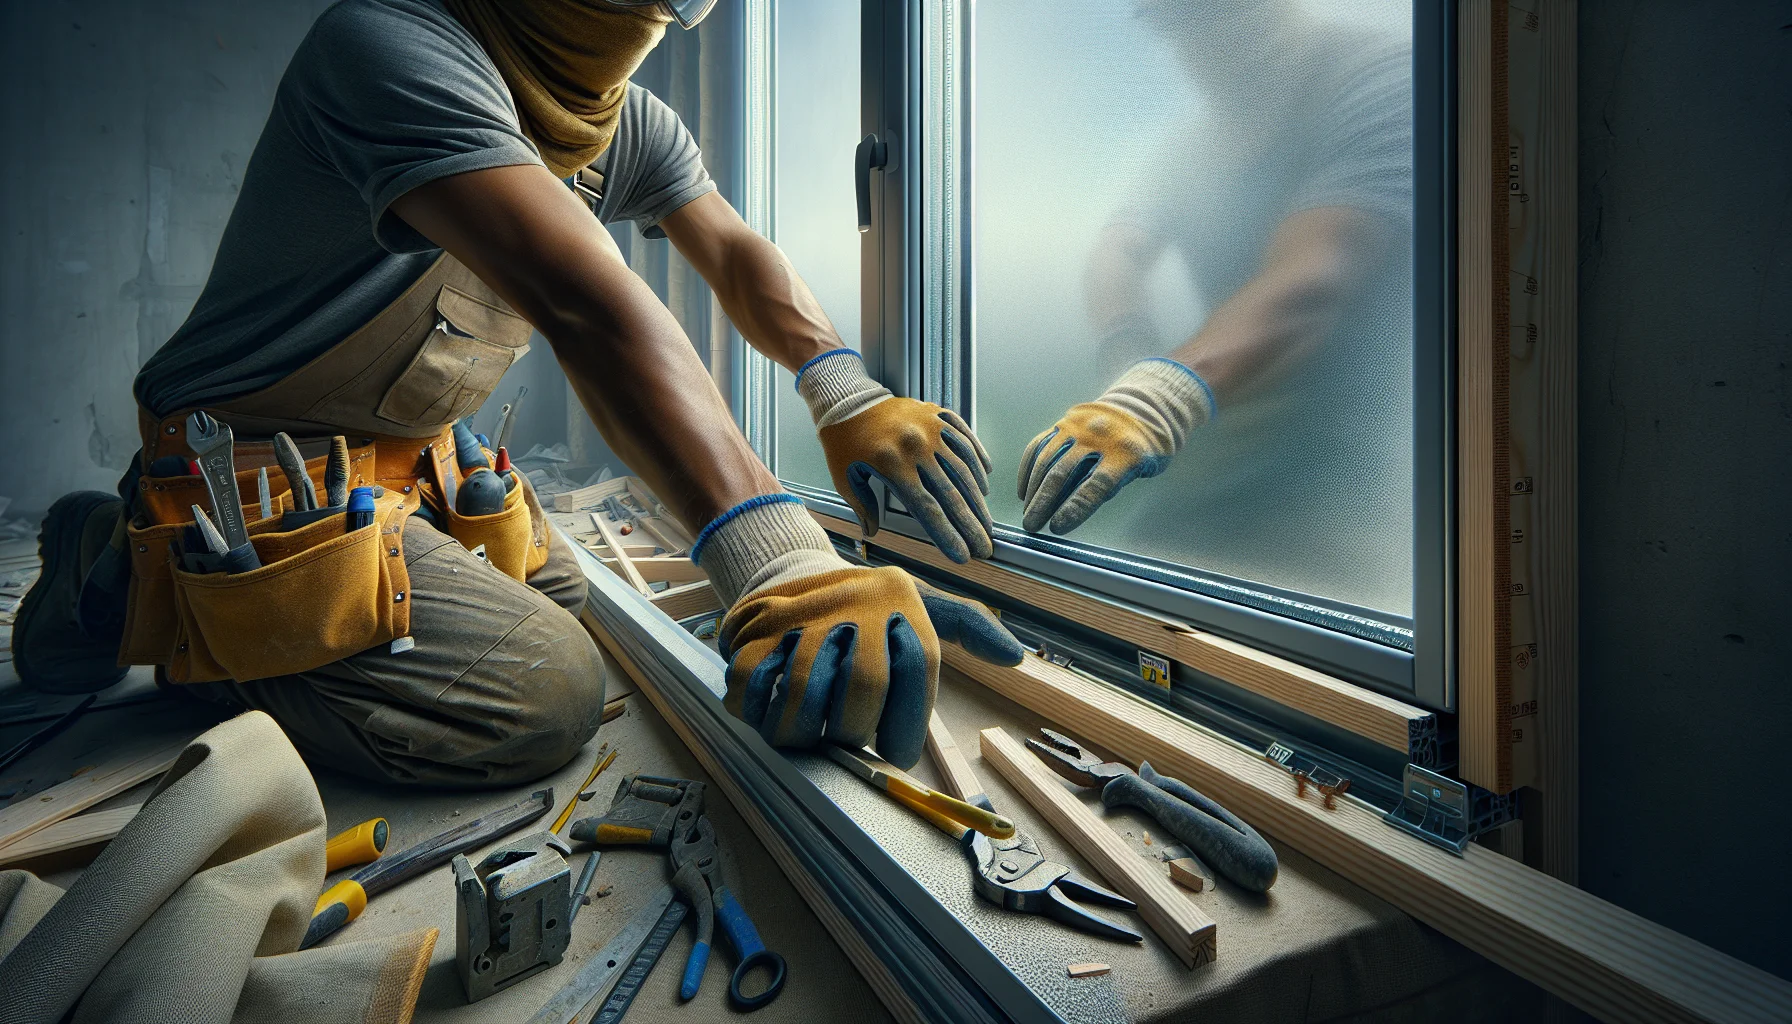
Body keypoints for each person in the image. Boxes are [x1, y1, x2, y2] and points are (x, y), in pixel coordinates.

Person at [13, 0, 1019, 787]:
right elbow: (588, 304)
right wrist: (783, 558)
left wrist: (841, 388)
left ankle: (199, 588)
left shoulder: (616, 124)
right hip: (251, 468)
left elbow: (733, 249)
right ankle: (127, 573)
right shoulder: (389, 49)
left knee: (568, 600)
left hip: (406, 467)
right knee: (540, 695)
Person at [1014, 0, 1413, 611]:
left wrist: (1155, 396)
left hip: (1349, 479)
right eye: (1177, 30)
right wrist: (1126, 352)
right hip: (1224, 448)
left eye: (1211, 22)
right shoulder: (1201, 139)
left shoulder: (1377, 81)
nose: (1196, 52)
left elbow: (1315, 278)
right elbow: (1118, 249)